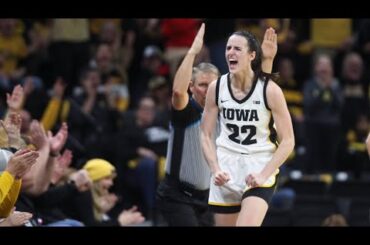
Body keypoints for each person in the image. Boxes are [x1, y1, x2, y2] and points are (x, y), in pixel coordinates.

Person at [156, 23, 277, 226]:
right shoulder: (186, 111)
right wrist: (193, 51)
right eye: (202, 85)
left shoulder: (223, 109)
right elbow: (178, 92)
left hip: (207, 197)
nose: (207, 90)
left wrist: (267, 61)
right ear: (192, 87)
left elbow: (258, 98)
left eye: (211, 85)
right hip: (177, 196)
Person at [200, 29, 294, 226]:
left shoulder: (271, 90)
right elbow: (206, 134)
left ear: (252, 55)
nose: (230, 53)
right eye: (228, 48)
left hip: (258, 164)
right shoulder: (216, 88)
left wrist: (264, 174)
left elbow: (288, 141)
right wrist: (215, 168)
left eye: (237, 48)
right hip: (226, 167)